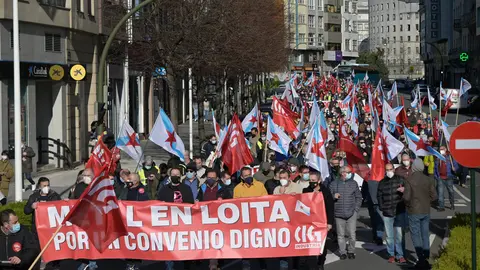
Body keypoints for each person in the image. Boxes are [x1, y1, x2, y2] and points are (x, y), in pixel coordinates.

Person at [403, 159, 437, 269]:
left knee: (415, 234)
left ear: (414, 167)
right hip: (425, 210)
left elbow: (407, 197)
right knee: (425, 234)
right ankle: (426, 258)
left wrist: (405, 202)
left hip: (414, 210)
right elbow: (434, 196)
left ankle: (421, 259)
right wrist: (427, 201)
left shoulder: (409, 180)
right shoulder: (428, 179)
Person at [303, 171, 334, 270]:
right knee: (310, 244)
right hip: (310, 222)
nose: (311, 182)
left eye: (314, 180)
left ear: (319, 181)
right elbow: (303, 205)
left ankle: (321, 262)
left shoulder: (325, 191)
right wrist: (312, 195)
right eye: (310, 180)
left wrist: (329, 223)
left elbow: (330, 208)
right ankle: (312, 264)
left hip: (322, 222)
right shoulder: (306, 190)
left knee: (322, 246)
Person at [329, 166, 362, 260]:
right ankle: (342, 252)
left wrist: (356, 210)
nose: (349, 174)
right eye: (347, 172)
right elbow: (328, 198)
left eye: (349, 172)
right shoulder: (333, 184)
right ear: (342, 173)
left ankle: (351, 251)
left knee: (352, 234)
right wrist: (333, 196)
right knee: (340, 235)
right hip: (338, 214)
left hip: (351, 213)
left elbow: (358, 197)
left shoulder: (353, 183)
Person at [377, 164, 407, 264]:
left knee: (399, 235)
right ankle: (391, 254)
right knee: (389, 236)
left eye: (390, 169)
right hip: (387, 212)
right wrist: (382, 207)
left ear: (394, 169)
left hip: (399, 211)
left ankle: (400, 255)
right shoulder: (382, 182)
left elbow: (407, 193)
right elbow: (379, 196)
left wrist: (404, 191)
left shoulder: (400, 179)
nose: (389, 171)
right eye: (387, 170)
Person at [434, 146, 459, 211]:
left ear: (446, 150)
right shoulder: (438, 158)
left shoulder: (450, 157)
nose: (441, 150)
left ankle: (452, 204)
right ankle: (441, 206)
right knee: (440, 193)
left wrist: (454, 168)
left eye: (442, 149)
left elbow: (456, 165)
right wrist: (436, 176)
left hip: (449, 177)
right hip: (440, 178)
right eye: (440, 149)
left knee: (451, 191)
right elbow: (435, 167)